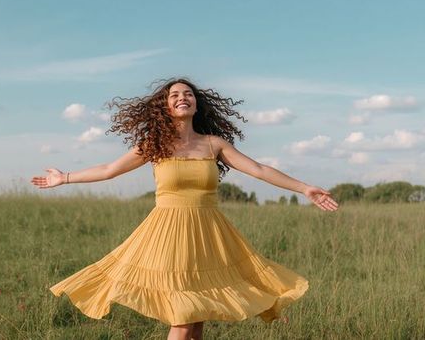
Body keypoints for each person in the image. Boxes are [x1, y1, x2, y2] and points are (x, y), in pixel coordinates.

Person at [30, 78, 339, 340]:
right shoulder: (155, 144)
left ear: (196, 104)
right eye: (175, 95)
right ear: (165, 106)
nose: (182, 98)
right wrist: (64, 178)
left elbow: (258, 169)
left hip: (209, 236)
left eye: (188, 94)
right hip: (167, 235)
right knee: (182, 318)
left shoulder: (213, 144)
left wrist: (304, 188)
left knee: (197, 320)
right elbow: (109, 169)